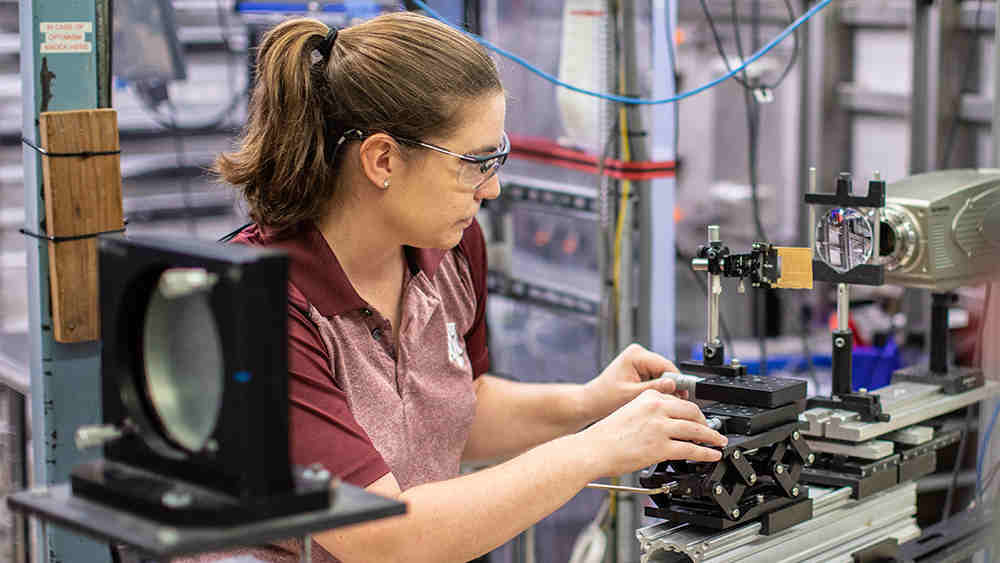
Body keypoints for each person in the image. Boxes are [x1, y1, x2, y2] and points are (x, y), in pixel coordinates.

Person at [206, 11, 727, 563]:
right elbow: (382, 537)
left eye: (495, 159)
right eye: (476, 163)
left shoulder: (449, 252)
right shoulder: (259, 305)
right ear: (382, 160)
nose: (494, 189)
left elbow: (453, 409)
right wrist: (594, 449)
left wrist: (588, 403)